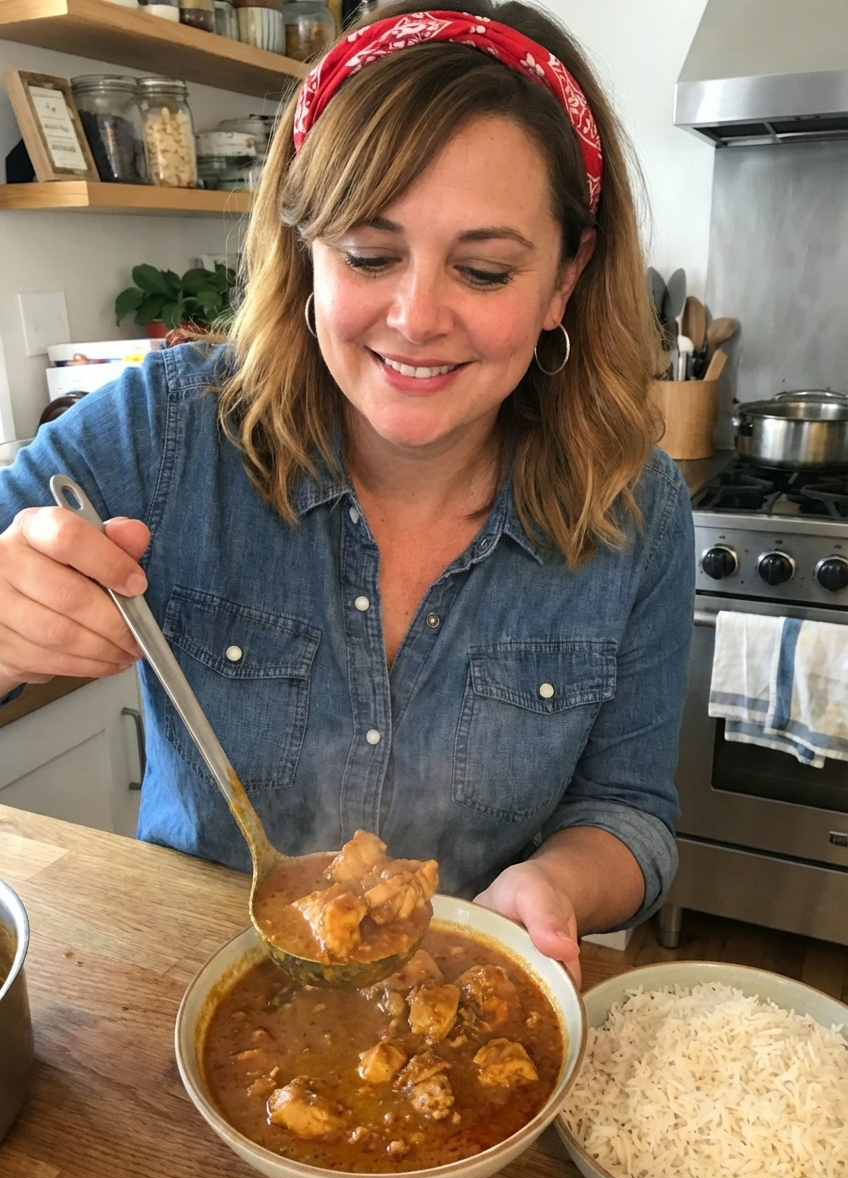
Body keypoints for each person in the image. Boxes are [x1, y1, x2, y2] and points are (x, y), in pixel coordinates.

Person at [0, 0, 694, 985]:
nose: (415, 318)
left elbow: (627, 812)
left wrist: (556, 883)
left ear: (563, 279)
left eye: (485, 270)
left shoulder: (637, 509)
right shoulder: (163, 432)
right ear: (305, 247)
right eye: (369, 255)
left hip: (452, 1003)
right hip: (173, 1007)